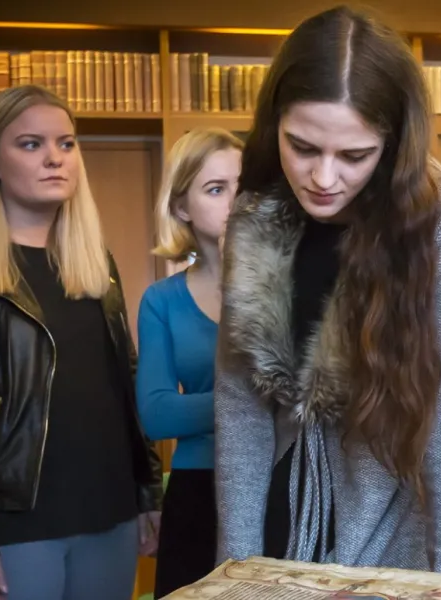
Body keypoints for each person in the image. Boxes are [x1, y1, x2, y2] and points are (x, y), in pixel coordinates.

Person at [214, 4, 441, 575]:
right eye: (303, 147)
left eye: (354, 155)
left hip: (391, 534)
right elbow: (241, 410)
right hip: (278, 529)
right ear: (275, 126)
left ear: (392, 144)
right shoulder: (258, 215)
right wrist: (235, 571)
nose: (323, 178)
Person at [0, 84, 164, 600]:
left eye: (66, 143)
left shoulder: (94, 264)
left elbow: (125, 383)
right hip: (11, 531)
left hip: (109, 519)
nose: (54, 159)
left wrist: (147, 490)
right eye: (31, 144)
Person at [137, 127, 242, 596]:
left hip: (284, 484)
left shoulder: (296, 286)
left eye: (245, 187)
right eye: (216, 189)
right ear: (182, 207)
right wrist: (256, 398)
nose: (236, 202)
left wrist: (202, 408)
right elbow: (158, 415)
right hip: (198, 488)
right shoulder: (160, 300)